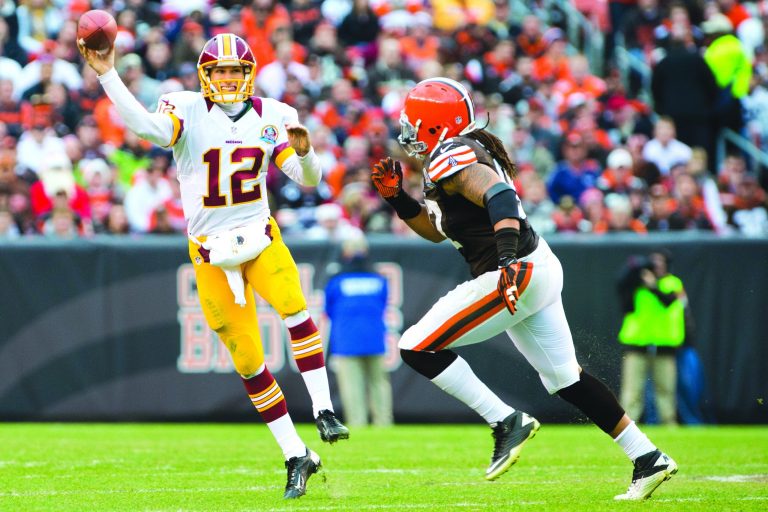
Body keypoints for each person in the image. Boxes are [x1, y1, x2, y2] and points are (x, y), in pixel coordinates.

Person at [371, 77, 677, 500]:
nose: (405, 128)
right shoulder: (449, 158)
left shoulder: (449, 154)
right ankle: (648, 457)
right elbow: (438, 231)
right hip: (534, 267)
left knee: (416, 346)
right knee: (566, 379)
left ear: (434, 126)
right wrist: (398, 200)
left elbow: (499, 195)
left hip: (516, 270)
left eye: (413, 120)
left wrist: (508, 260)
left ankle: (504, 421)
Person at [78, 32, 348, 500]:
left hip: (260, 238)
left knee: (294, 307)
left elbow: (305, 180)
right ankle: (295, 454)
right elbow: (147, 129)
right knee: (246, 360)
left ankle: (323, 408)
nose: (227, 78)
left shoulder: (272, 115)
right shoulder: (184, 108)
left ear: (249, 75)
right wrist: (108, 75)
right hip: (209, 252)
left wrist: (306, 155)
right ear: (205, 76)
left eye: (235, 71)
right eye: (219, 71)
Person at [324, 235, 393, 427]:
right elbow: (384, 304)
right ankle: (384, 422)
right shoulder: (379, 280)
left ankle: (357, 423)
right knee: (379, 384)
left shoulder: (336, 281)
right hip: (375, 339)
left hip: (346, 341)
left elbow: (328, 310)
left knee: (352, 387)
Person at [616, 250, 688, 425]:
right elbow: (621, 288)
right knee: (632, 391)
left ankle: (669, 424)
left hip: (664, 345)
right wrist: (634, 271)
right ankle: (627, 427)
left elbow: (669, 301)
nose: (657, 266)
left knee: (666, 390)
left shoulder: (673, 283)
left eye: (661, 262)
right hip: (637, 343)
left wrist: (653, 286)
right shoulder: (636, 284)